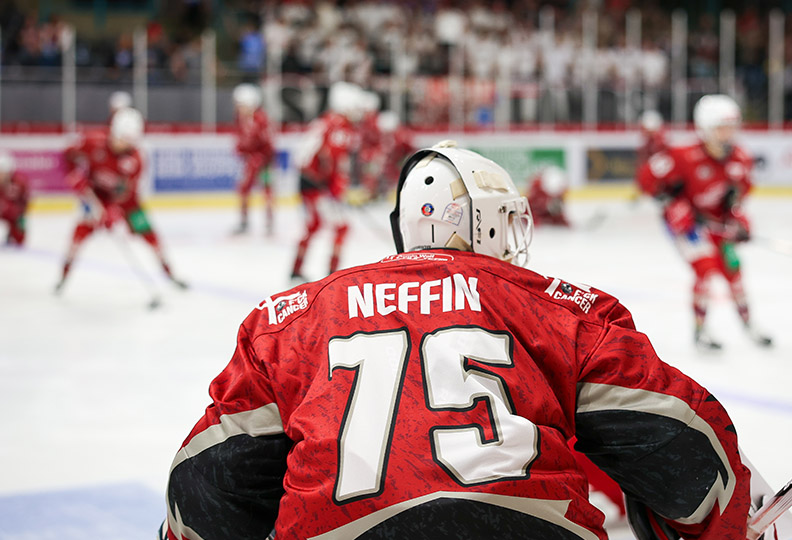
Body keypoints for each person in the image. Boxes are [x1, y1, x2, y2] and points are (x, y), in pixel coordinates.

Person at [160, 140, 758, 540]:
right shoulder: (559, 310)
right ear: (484, 221)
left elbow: (203, 492)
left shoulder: (286, 323)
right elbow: (686, 451)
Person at [637, 94, 771, 351]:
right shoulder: (681, 155)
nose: (729, 133)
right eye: (722, 127)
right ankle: (701, 331)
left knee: (734, 271)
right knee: (706, 269)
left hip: (716, 222)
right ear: (706, 128)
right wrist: (672, 202)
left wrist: (739, 220)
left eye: (732, 126)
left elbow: (738, 198)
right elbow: (647, 179)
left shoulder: (740, 158)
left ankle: (749, 324)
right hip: (687, 226)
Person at [55, 108, 186, 293]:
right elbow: (67, 156)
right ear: (113, 132)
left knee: (150, 235)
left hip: (128, 204)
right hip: (95, 198)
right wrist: (74, 177)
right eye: (123, 139)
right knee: (77, 237)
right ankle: (63, 277)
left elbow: (125, 192)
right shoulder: (92, 142)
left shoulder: (135, 159)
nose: (125, 145)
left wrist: (113, 211)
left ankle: (169, 273)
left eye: (130, 141)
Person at [289, 82, 361, 282]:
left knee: (314, 224)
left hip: (311, 183)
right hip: (317, 185)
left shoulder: (326, 121)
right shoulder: (339, 126)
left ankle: (297, 269)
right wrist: (335, 185)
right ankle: (332, 273)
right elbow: (333, 159)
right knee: (341, 227)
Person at [232, 83, 275, 235]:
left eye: (241, 104)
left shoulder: (260, 119)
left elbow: (268, 142)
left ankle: (269, 222)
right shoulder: (242, 118)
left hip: (263, 161)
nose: (238, 107)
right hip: (251, 159)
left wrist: (264, 159)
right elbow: (241, 138)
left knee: (267, 189)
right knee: (244, 189)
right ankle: (244, 222)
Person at [0, 151, 29, 246]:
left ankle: (12, 234)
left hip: (13, 214)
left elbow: (25, 201)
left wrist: (20, 215)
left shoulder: (19, 183)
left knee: (20, 240)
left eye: (3, 172)